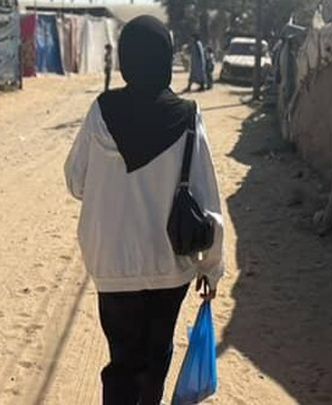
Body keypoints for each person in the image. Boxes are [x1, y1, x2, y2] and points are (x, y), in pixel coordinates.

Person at [64, 16, 224, 405]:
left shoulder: (102, 110)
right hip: (170, 266)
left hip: (113, 267)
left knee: (122, 362)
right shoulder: (188, 115)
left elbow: (76, 181)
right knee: (156, 359)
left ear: (126, 59)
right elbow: (209, 202)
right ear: (165, 58)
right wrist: (211, 268)